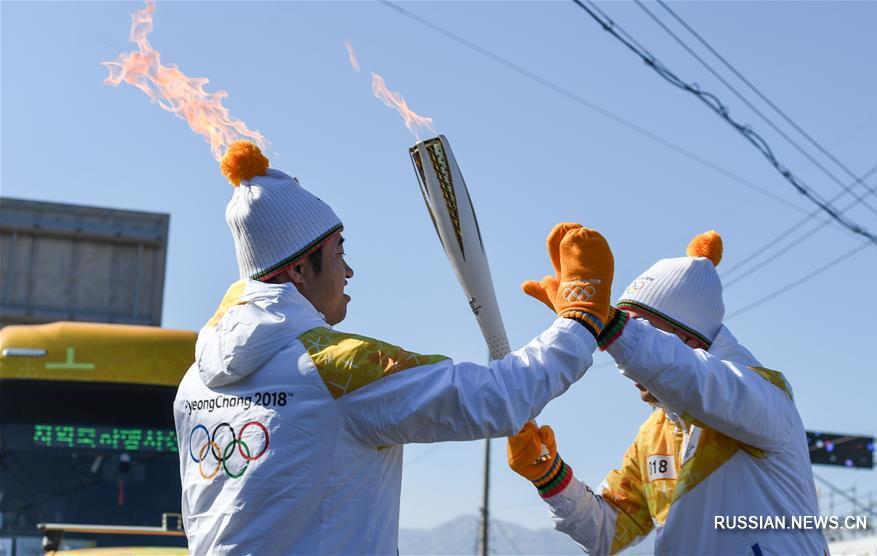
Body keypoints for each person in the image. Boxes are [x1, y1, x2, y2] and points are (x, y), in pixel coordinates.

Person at [173, 141, 622, 555]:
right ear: (297, 270)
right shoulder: (338, 369)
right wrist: (581, 320)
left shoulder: (194, 382)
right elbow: (496, 397)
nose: (348, 271)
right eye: (337, 252)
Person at [508, 231, 828, 555]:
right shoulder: (654, 436)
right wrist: (549, 474)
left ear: (690, 342)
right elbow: (609, 530)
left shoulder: (763, 397)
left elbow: (696, 381)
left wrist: (607, 322)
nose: (620, 354)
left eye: (644, 328)